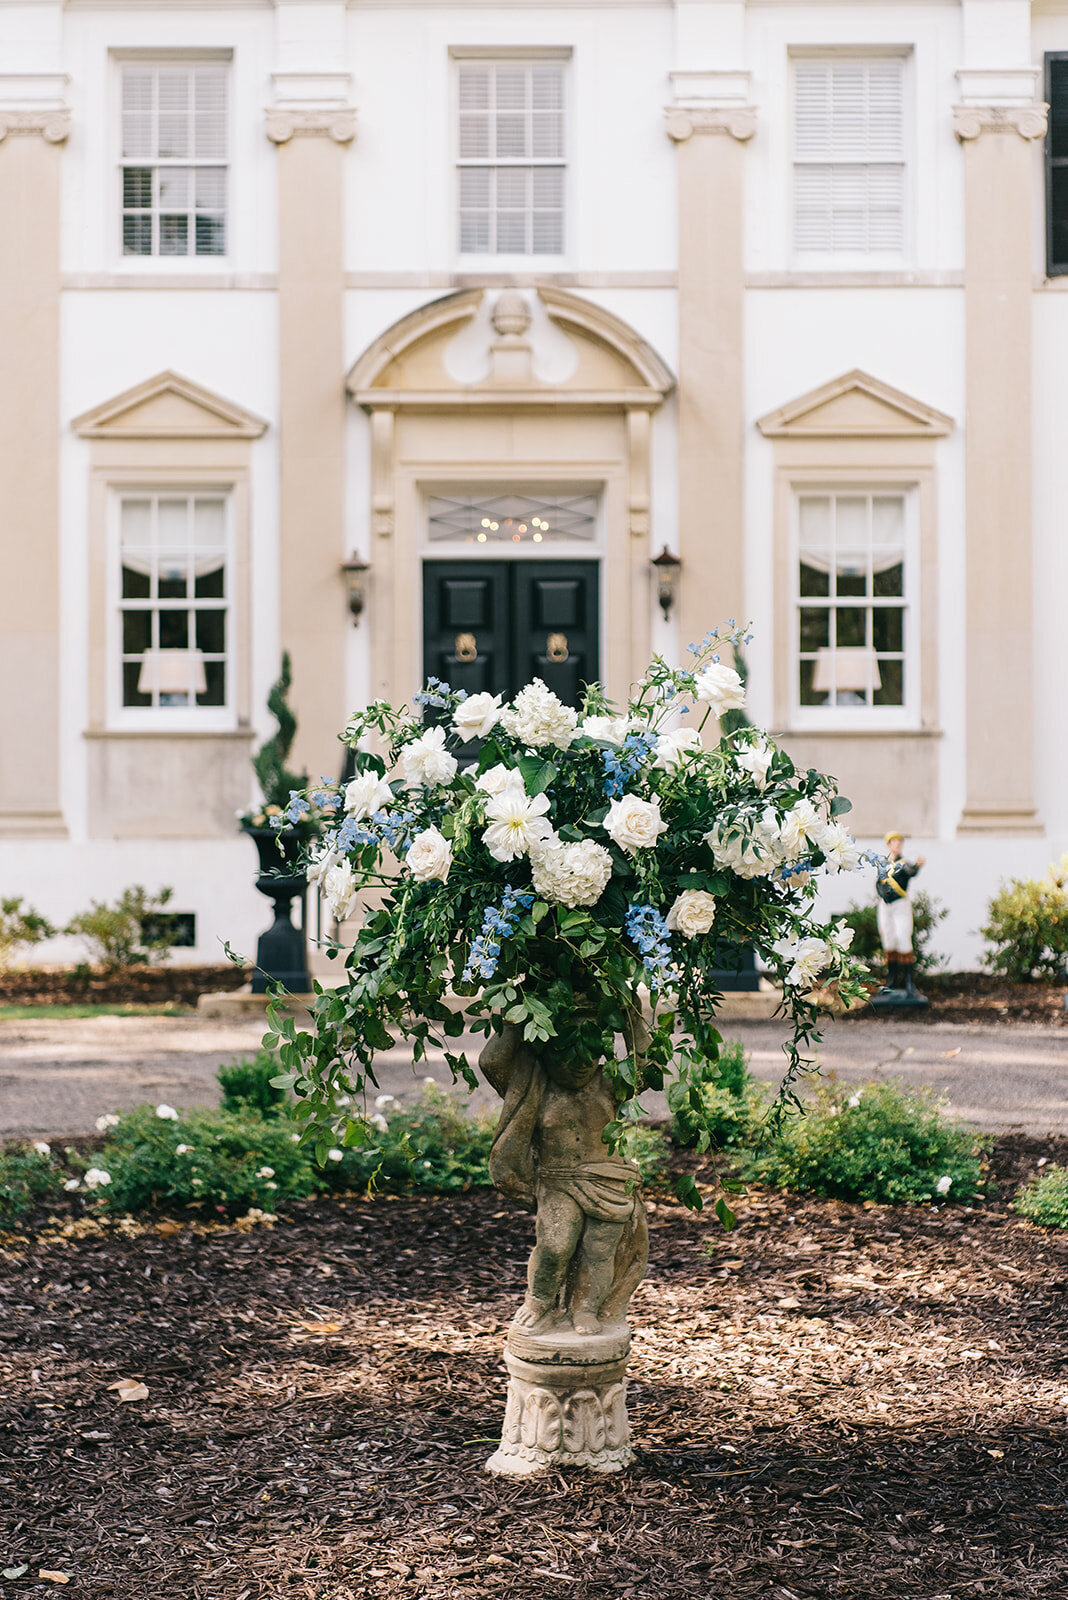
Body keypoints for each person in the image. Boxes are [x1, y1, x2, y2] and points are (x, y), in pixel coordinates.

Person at [480, 1023, 649, 1338]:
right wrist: (518, 1020)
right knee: (556, 1245)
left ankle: (585, 1307)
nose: (581, 1064)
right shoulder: (534, 1086)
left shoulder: (609, 1084)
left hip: (609, 1179)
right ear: (545, 1050)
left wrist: (632, 1018)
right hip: (558, 1180)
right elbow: (492, 1063)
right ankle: (539, 1300)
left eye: (590, 1055)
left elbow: (647, 1064)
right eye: (567, 1056)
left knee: (600, 1251)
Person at [875, 831, 926, 999]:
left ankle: (909, 983)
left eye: (898, 842)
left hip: (900, 905)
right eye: (893, 842)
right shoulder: (883, 864)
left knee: (903, 938)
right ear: (888, 845)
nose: (896, 845)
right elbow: (878, 882)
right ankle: (891, 981)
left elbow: (911, 871)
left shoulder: (903, 864)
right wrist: (882, 892)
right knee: (889, 939)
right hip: (885, 906)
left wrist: (918, 865)